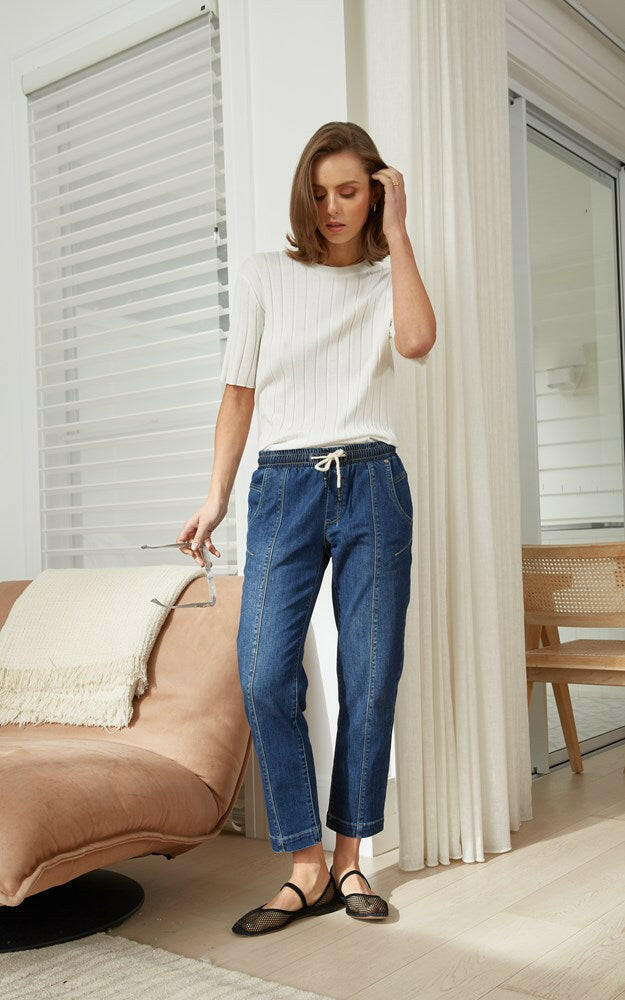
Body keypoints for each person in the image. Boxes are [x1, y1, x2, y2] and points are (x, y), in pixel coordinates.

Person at [177, 121, 436, 936]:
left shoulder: (385, 276)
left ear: (376, 194)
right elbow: (238, 392)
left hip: (372, 483)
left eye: (350, 191)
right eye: (320, 193)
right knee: (263, 674)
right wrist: (215, 497)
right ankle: (304, 867)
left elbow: (417, 341)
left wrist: (399, 235)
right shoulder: (266, 274)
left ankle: (350, 855)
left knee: (369, 674)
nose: (332, 207)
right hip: (283, 486)